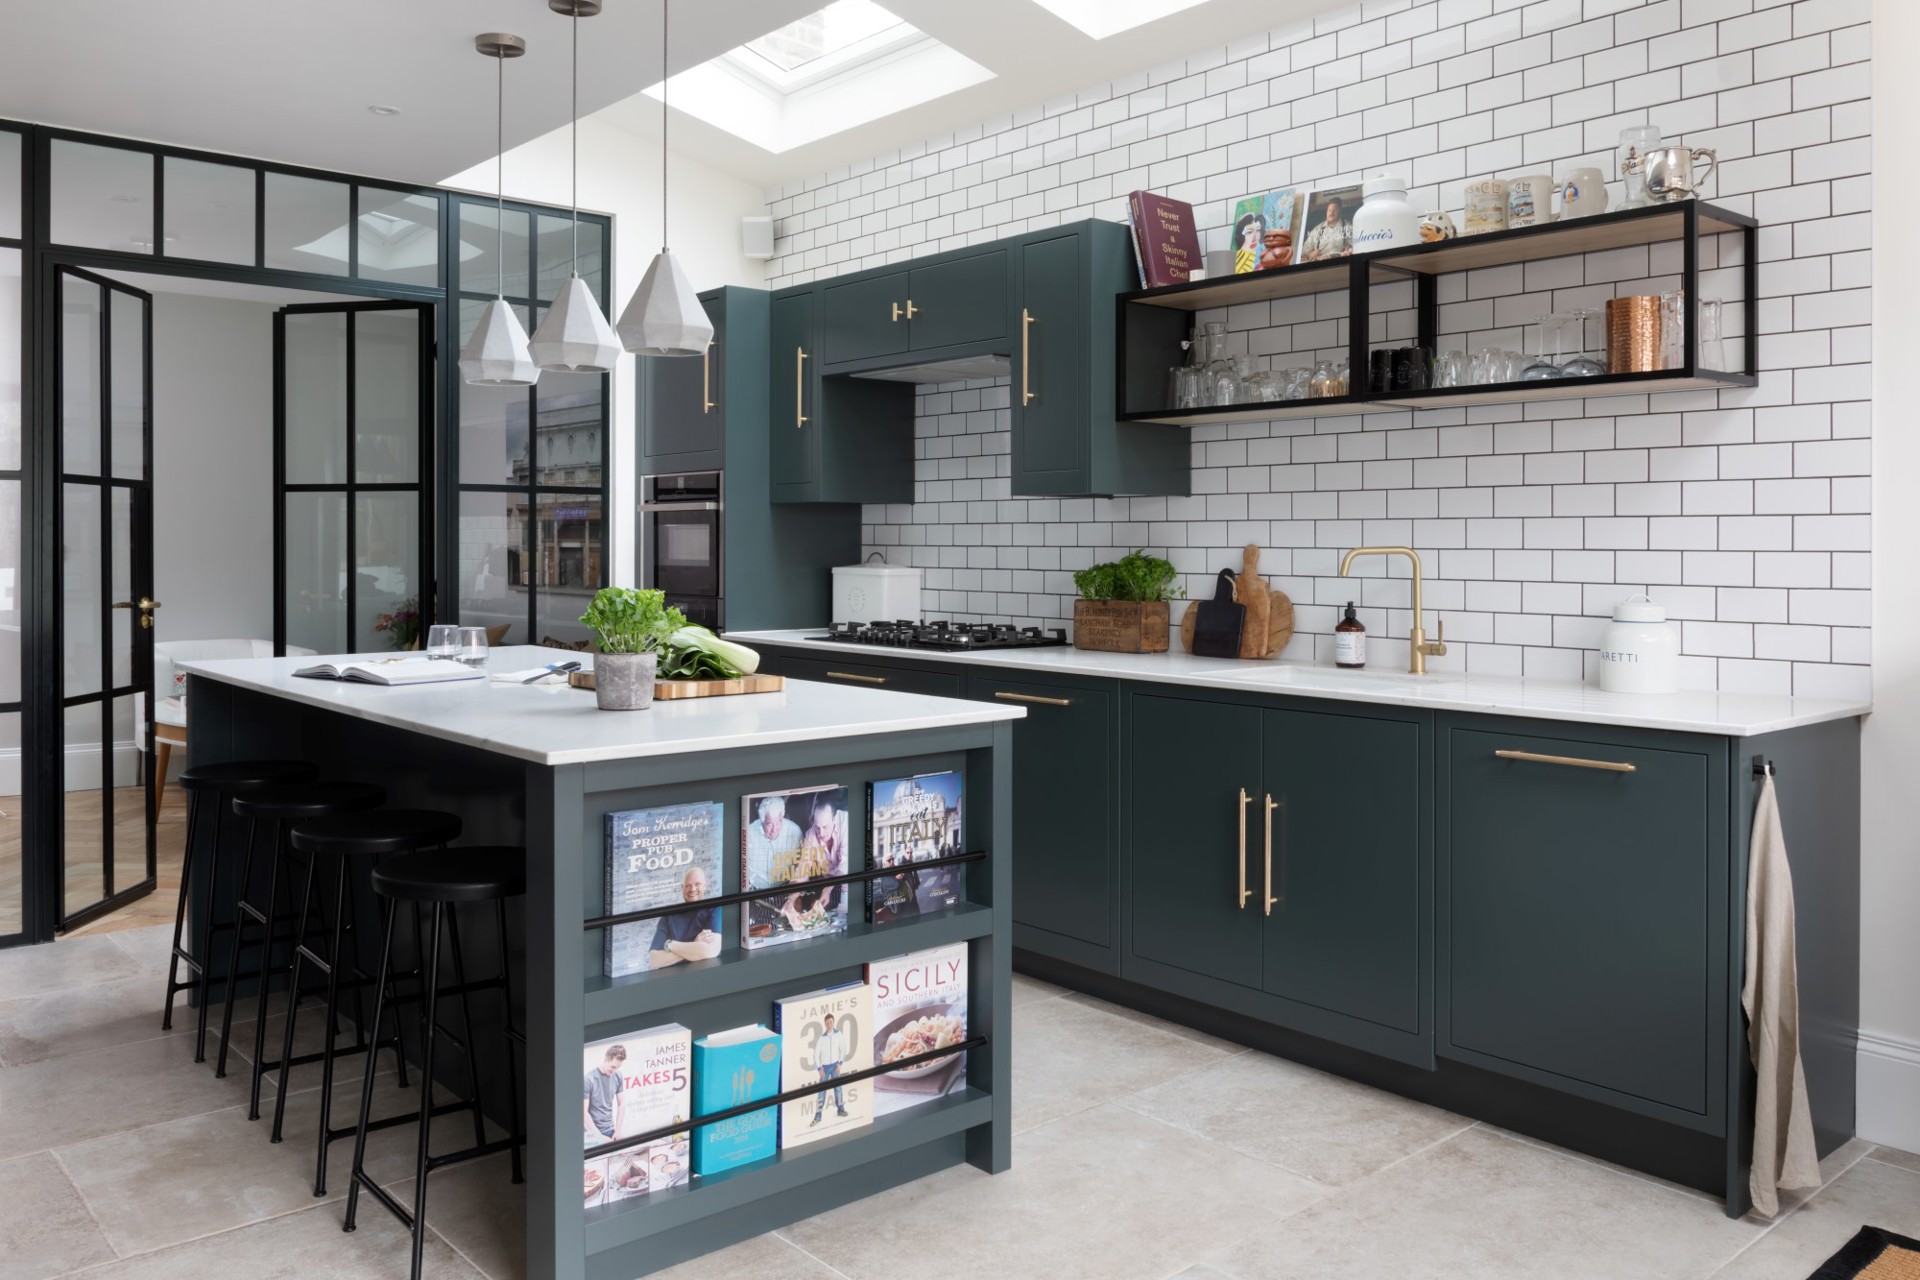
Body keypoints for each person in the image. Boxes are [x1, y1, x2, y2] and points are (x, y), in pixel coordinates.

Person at [743, 794, 801, 936]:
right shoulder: (748, 833)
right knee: (762, 936)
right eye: (769, 824)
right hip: (758, 898)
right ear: (762, 820)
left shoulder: (794, 832)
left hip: (786, 894)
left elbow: (801, 870)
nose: (775, 829)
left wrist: (794, 898)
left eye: (779, 821)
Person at [646, 866, 721, 968]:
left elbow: (710, 951)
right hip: (671, 978)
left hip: (703, 976)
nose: (692, 889)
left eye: (697, 884)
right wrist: (695, 944)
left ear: (705, 886)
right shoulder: (668, 915)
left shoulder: (713, 909)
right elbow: (654, 960)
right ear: (682, 888)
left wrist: (671, 945)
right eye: (688, 885)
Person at [809, 1013, 850, 1125]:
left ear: (833, 1022)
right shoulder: (822, 1038)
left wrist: (840, 1063)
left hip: (835, 1066)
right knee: (821, 1092)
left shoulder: (839, 1035)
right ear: (825, 1024)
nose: (829, 1025)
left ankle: (840, 1110)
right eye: (827, 1023)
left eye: (831, 1022)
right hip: (825, 1068)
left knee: (838, 1089)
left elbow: (843, 1049)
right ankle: (818, 1117)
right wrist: (819, 1068)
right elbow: (816, 1054)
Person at [584, 1044, 626, 1143]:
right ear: (606, 1058)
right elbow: (583, 1113)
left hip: (610, 1130)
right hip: (590, 1134)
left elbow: (622, 1103)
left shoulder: (618, 1075)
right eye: (613, 1067)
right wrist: (599, 1137)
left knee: (634, 1150)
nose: (614, 1071)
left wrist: (618, 1130)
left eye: (618, 1068)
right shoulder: (588, 1079)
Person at [1300, 194, 1353, 261]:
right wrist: (1313, 255)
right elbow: (1304, 251)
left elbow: (1354, 245)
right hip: (1321, 264)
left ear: (1339, 211)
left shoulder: (1348, 225)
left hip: (1342, 262)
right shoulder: (1317, 229)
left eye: (1334, 210)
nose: (1331, 213)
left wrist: (1349, 251)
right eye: (1329, 210)